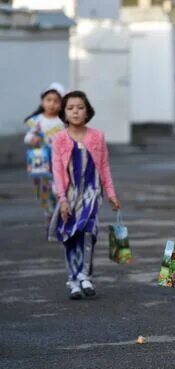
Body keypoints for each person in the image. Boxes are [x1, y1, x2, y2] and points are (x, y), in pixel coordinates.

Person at [49, 91, 120, 300]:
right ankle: (73, 280)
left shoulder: (97, 136)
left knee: (89, 231)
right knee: (71, 237)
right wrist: (62, 200)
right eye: (70, 108)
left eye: (80, 107)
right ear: (64, 112)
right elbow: (57, 172)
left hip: (91, 194)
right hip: (69, 196)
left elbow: (104, 166)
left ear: (87, 111)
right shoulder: (59, 139)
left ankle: (85, 274)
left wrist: (111, 193)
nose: (75, 111)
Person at [23, 82, 66, 228]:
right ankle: (48, 213)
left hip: (59, 162)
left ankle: (59, 214)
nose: (52, 104)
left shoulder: (63, 122)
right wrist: (32, 139)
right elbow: (28, 136)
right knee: (42, 191)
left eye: (56, 101)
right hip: (40, 162)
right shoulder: (36, 121)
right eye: (48, 100)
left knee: (58, 188)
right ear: (42, 101)